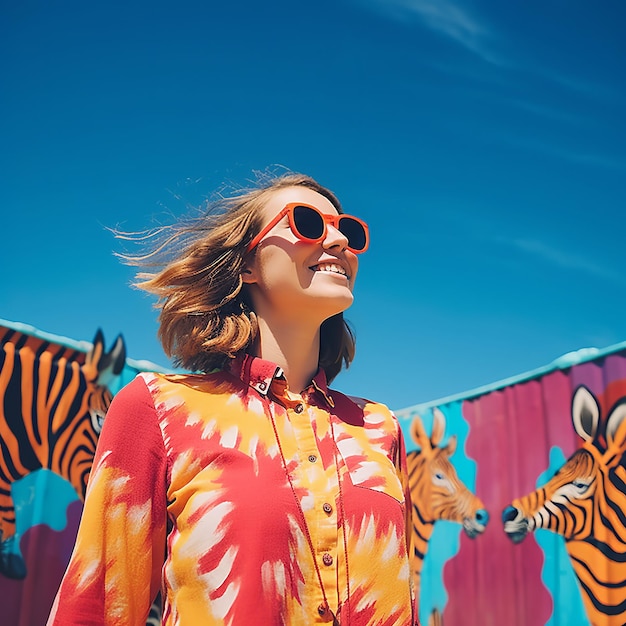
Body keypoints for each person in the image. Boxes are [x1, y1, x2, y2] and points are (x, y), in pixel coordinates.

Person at [48, 172, 417, 625]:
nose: (340, 239)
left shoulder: (379, 426)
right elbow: (99, 607)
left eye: (348, 229)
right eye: (308, 222)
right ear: (249, 265)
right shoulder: (158, 409)